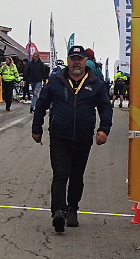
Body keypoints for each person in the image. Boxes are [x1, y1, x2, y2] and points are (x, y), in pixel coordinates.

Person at [32, 45, 113, 233]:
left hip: (83, 137)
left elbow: (105, 108)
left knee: (77, 176)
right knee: (60, 174)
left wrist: (104, 129)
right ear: (68, 61)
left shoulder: (96, 83)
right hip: (59, 136)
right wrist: (36, 128)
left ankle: (72, 209)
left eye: (80, 59)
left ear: (86, 61)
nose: (77, 63)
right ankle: (58, 212)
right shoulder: (55, 81)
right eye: (73, 59)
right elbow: (42, 104)